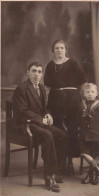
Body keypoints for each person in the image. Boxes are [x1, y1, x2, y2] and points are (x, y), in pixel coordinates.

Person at [13, 62, 68, 192]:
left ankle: (57, 171)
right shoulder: (21, 88)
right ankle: (49, 176)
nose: (37, 74)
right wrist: (40, 119)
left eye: (39, 71)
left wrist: (48, 115)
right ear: (28, 72)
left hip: (40, 123)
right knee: (47, 134)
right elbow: (22, 110)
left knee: (62, 135)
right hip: (26, 124)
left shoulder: (42, 88)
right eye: (34, 71)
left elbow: (45, 108)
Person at [44, 39, 87, 175]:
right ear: (53, 50)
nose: (59, 50)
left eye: (62, 48)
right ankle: (58, 162)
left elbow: (82, 80)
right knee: (58, 129)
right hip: (55, 99)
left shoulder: (73, 63)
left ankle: (69, 162)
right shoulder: (50, 65)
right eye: (56, 48)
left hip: (72, 100)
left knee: (72, 129)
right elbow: (46, 82)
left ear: (66, 49)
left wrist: (76, 95)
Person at [78, 83, 99, 184]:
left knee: (94, 156)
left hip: (96, 135)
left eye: (92, 92)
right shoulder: (82, 105)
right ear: (84, 94)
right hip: (84, 135)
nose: (90, 94)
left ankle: (91, 175)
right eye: (88, 92)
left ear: (96, 93)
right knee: (83, 153)